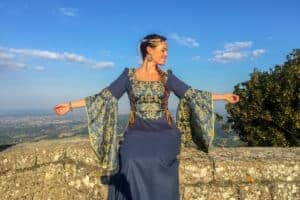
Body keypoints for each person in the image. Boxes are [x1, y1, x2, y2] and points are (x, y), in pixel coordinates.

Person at [53, 33, 239, 200]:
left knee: (156, 160)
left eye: (166, 51)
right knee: (131, 161)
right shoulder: (129, 76)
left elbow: (193, 94)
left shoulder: (167, 77)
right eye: (163, 50)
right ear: (149, 50)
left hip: (165, 132)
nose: (166, 54)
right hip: (137, 132)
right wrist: (70, 106)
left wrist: (223, 96)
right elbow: (103, 98)